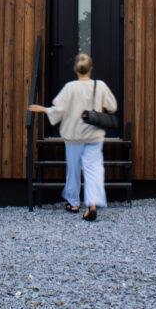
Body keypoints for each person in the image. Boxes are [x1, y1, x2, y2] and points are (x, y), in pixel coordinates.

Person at [28, 53, 117, 221]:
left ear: (76, 70)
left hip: (74, 136)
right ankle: (92, 204)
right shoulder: (100, 86)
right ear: (91, 68)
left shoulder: (70, 87)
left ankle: (73, 203)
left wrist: (44, 109)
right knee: (93, 169)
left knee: (74, 170)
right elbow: (112, 106)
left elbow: (59, 110)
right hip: (94, 136)